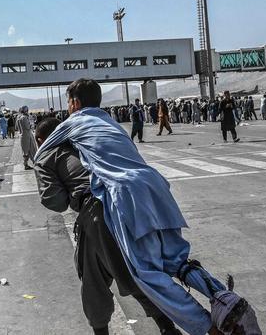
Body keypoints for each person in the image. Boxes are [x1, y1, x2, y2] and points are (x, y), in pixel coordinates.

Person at [35, 79, 260, 335]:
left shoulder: (69, 126)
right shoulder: (108, 122)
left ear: (74, 103)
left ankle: (211, 329)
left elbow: (48, 175)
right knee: (177, 262)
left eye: (68, 102)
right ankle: (226, 301)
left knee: (146, 274)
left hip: (122, 196)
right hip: (155, 188)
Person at [33, 117, 182, 335]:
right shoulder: (83, 140)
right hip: (129, 202)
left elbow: (54, 201)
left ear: (39, 139)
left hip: (97, 213)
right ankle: (166, 326)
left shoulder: (46, 154)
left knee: (119, 276)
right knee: (130, 269)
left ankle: (166, 328)